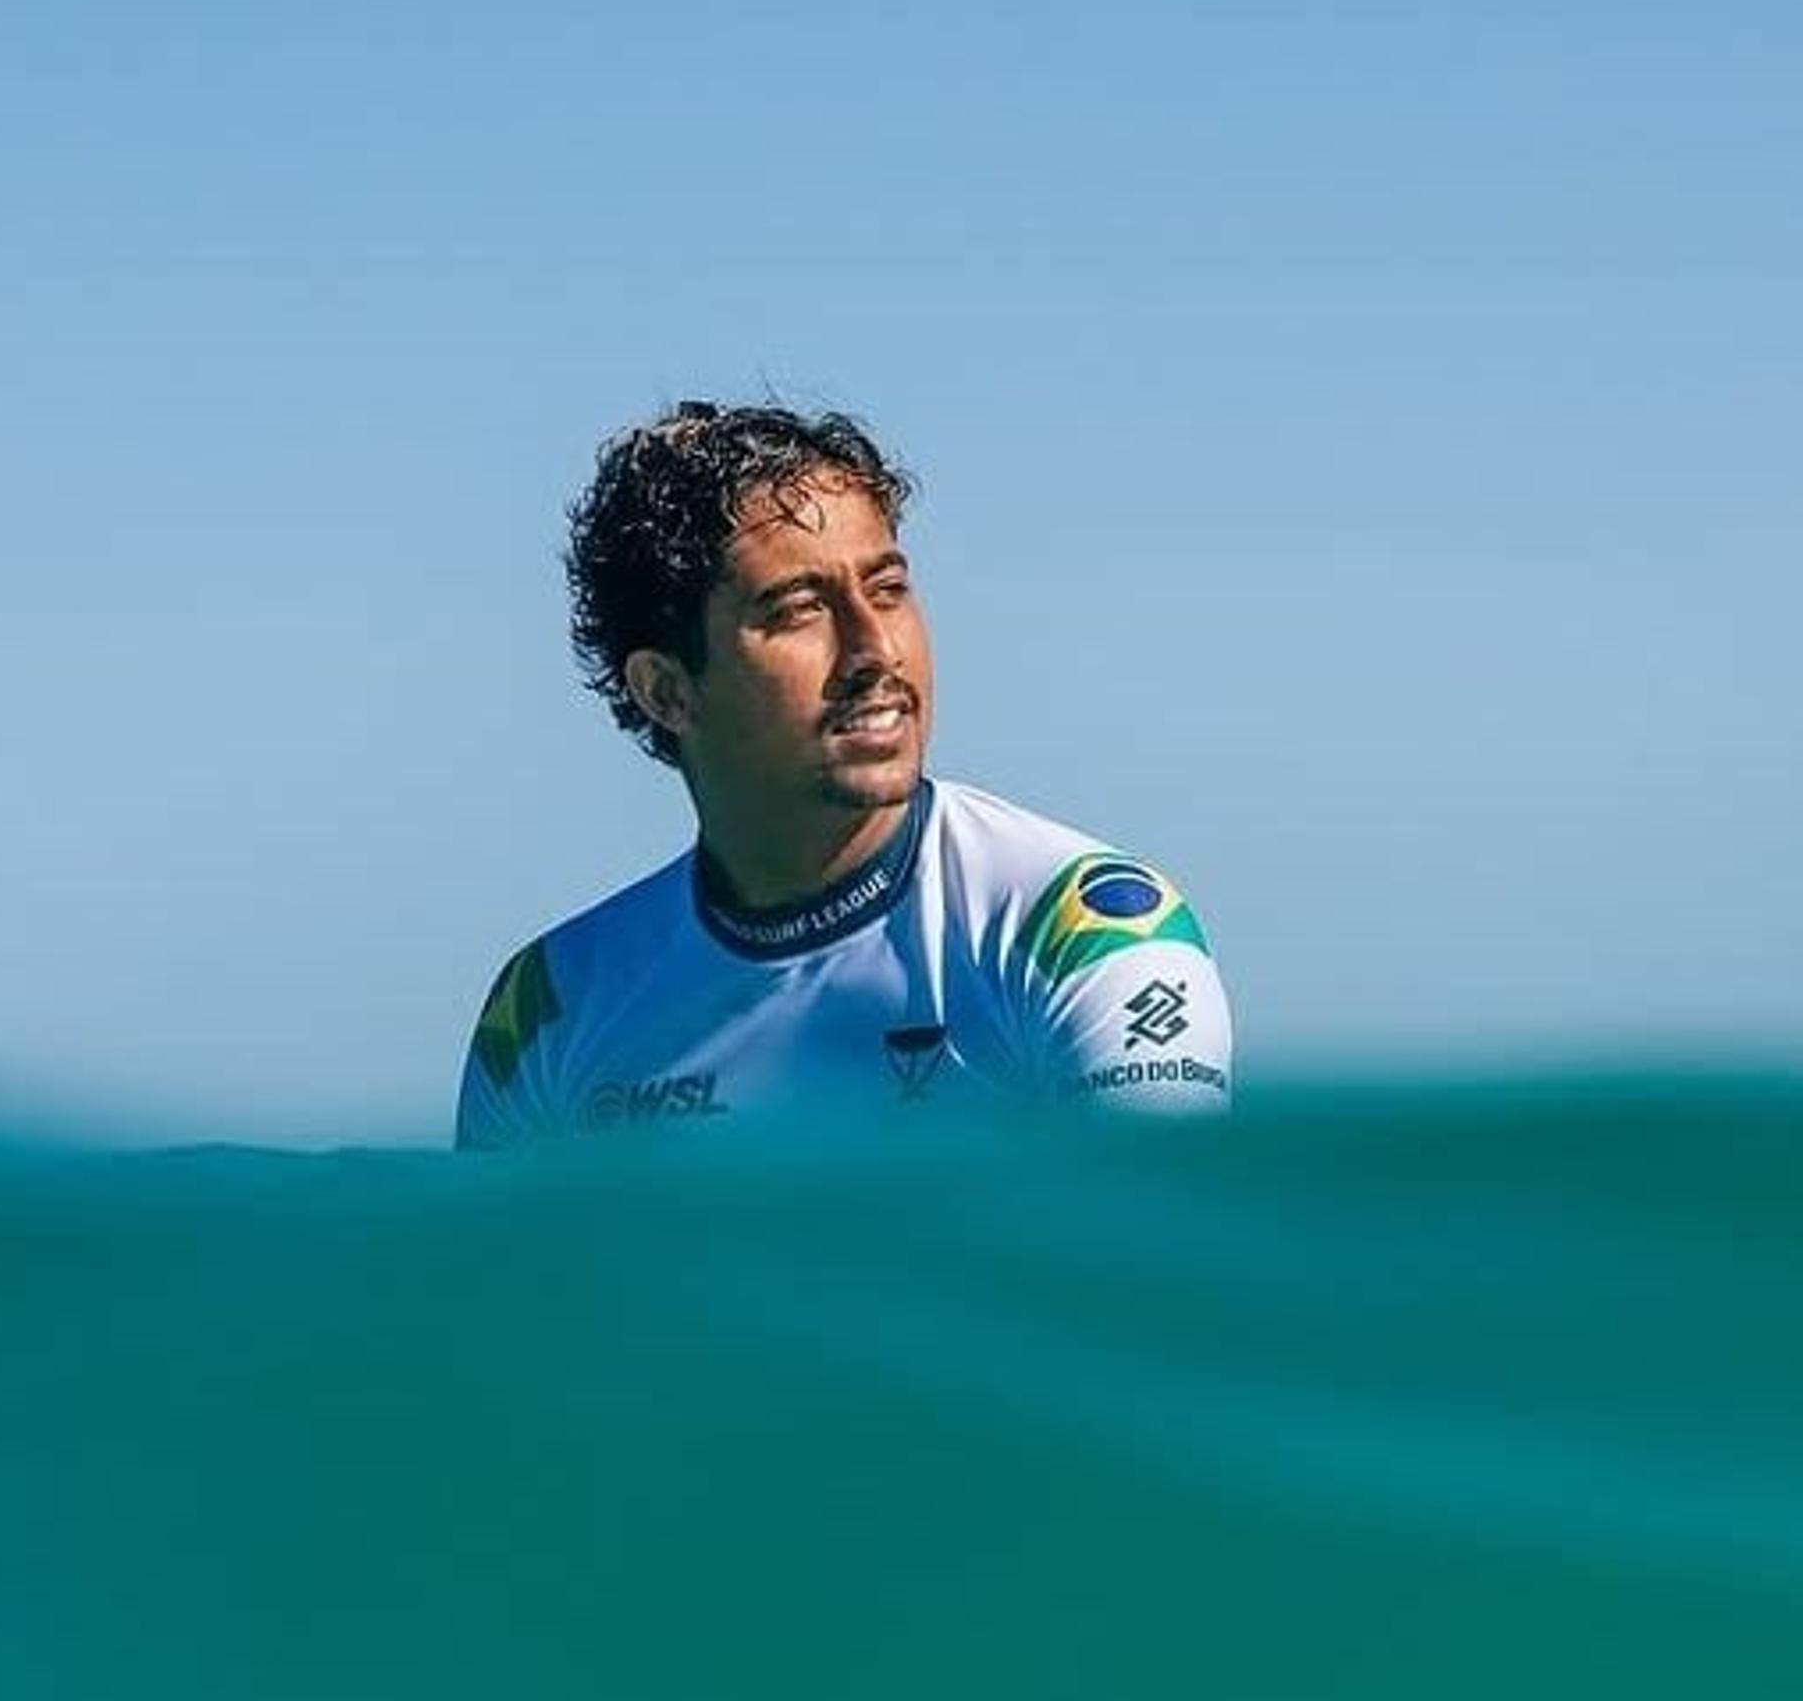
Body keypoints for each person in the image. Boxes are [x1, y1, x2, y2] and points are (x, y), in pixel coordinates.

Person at [456, 401, 1233, 1147]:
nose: (876, 651)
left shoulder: (1080, 931)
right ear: (667, 690)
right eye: (799, 608)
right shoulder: (547, 1012)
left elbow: (1159, 1255)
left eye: (887, 591)